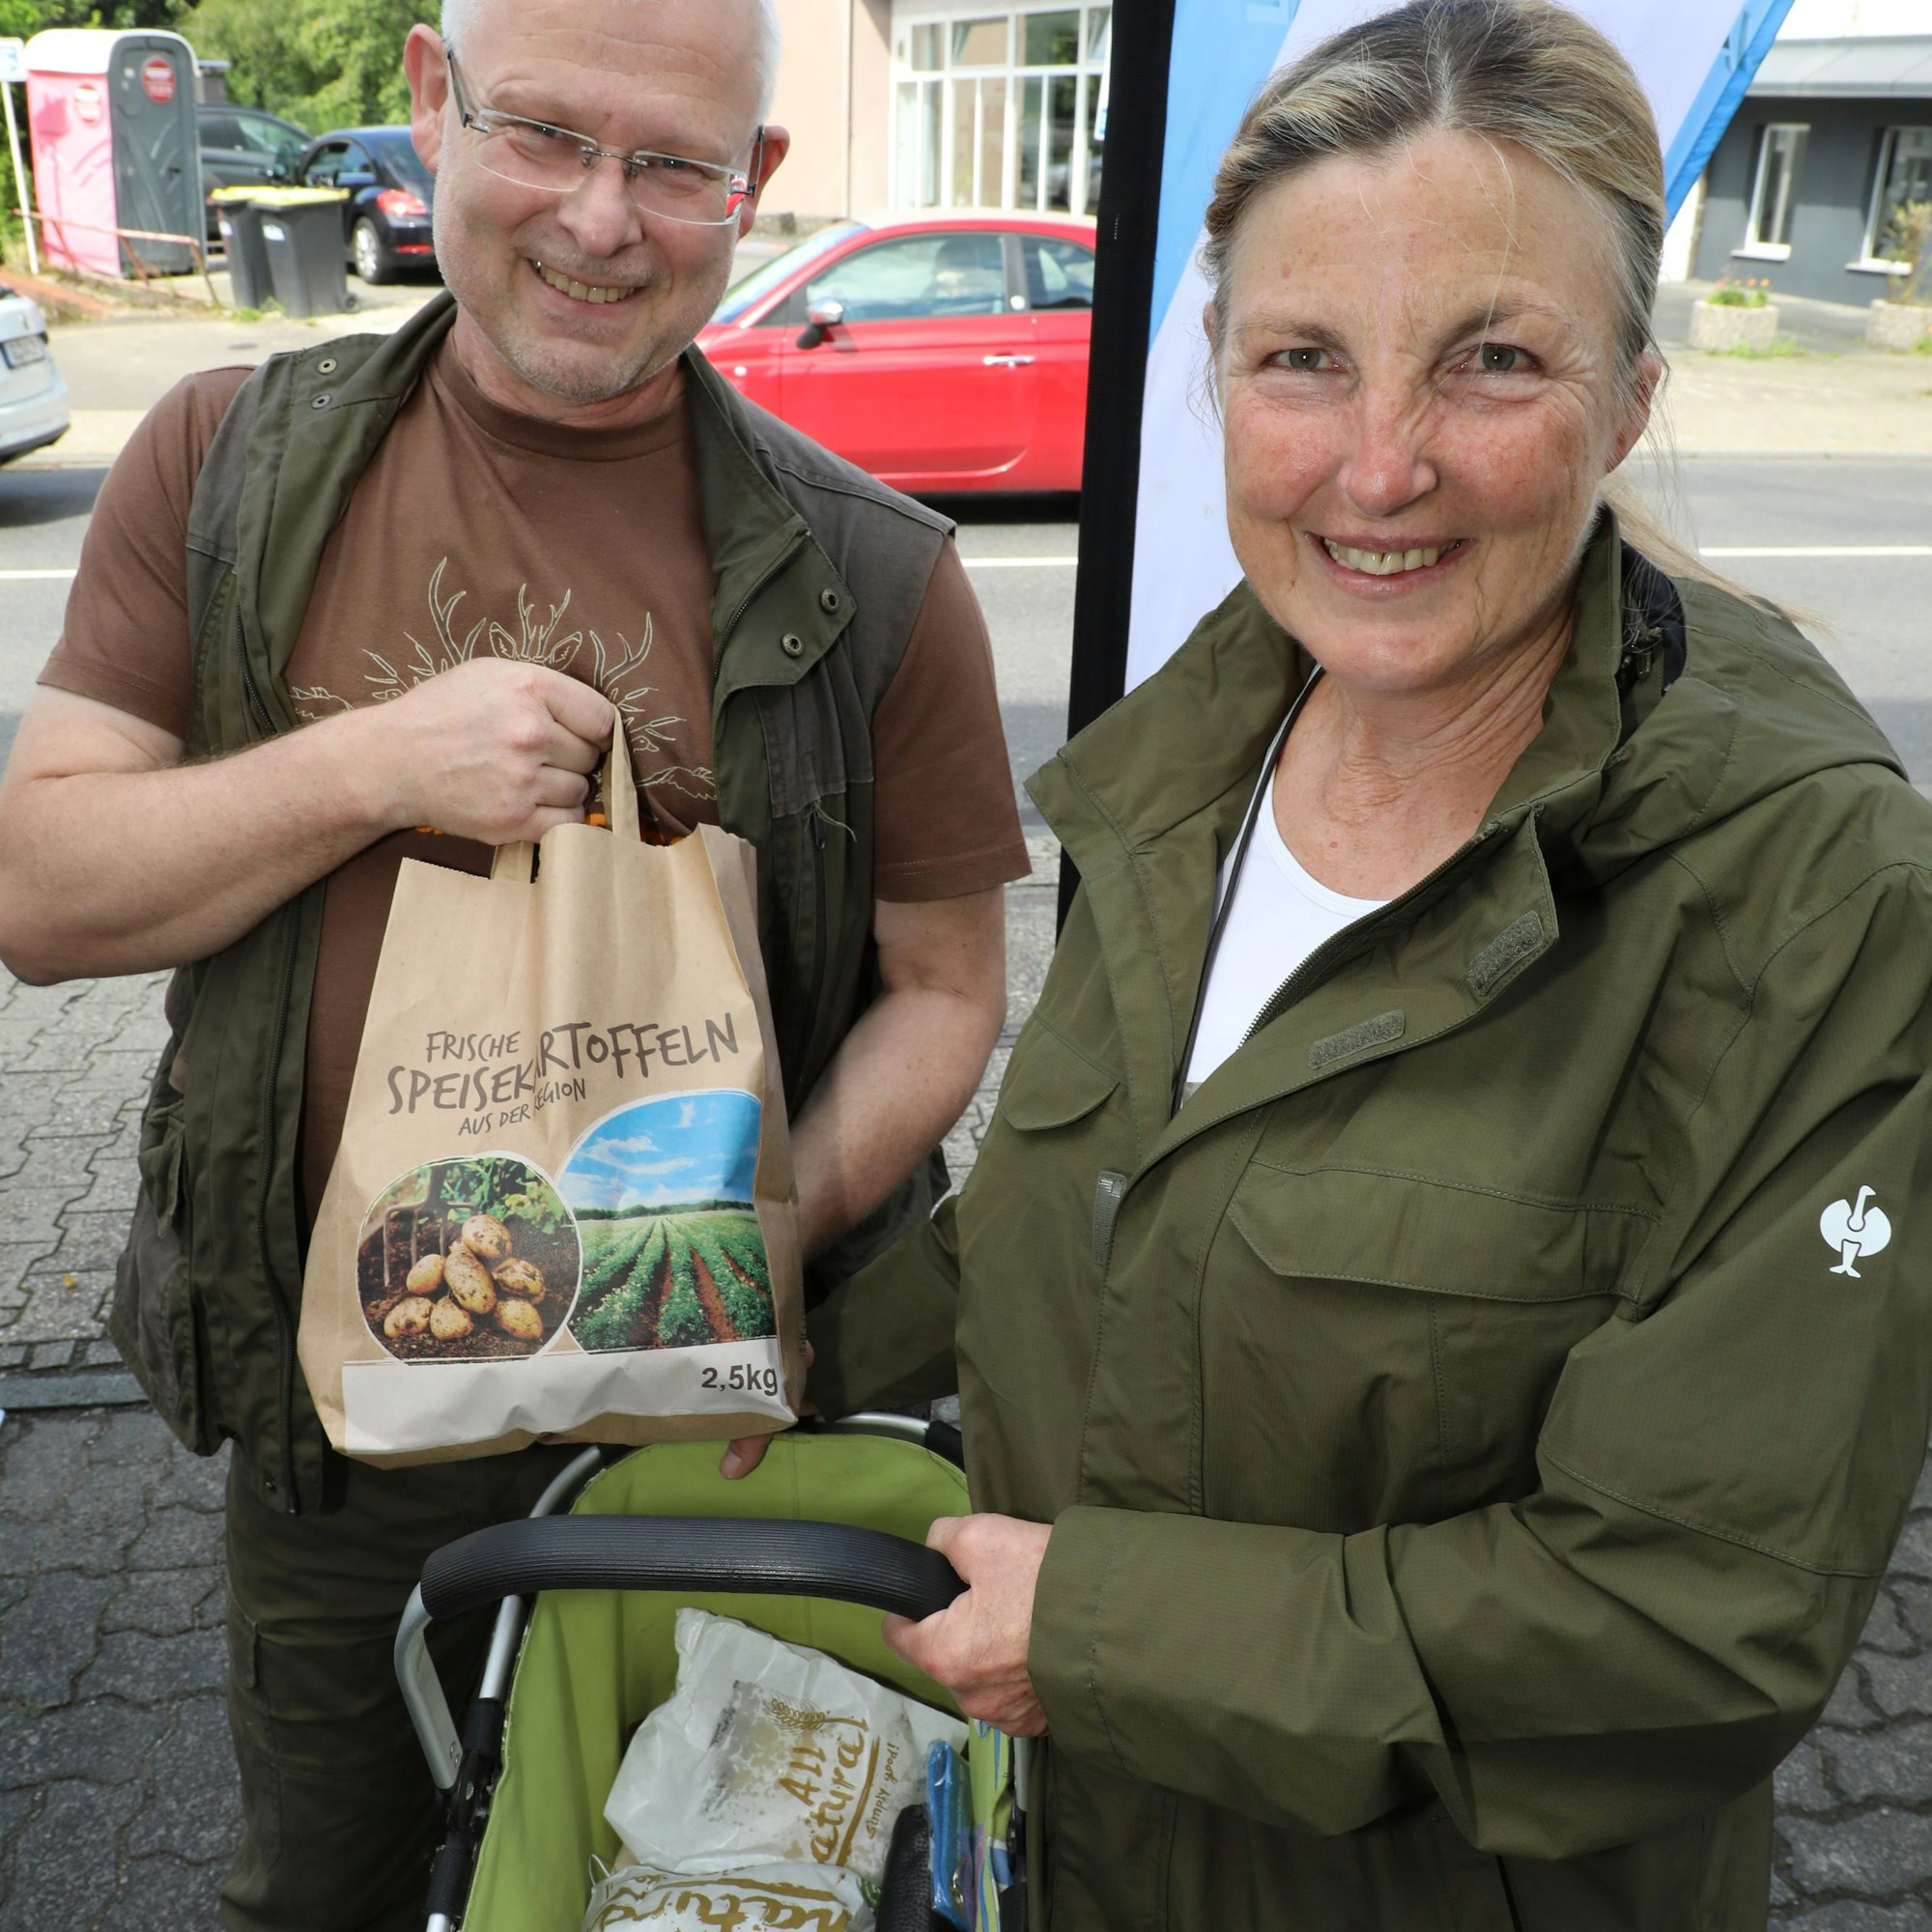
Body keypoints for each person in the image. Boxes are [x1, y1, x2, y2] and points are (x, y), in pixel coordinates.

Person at [791, 2, 1932, 1925]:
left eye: (1490, 360)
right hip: (1094, 1859)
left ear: (1629, 396)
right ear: (1217, 376)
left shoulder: (1803, 891)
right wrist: (784, 1341)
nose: (1379, 467)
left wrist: (1103, 1631)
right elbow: (1088, 1222)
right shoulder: (1199, 747)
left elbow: (1696, 1616)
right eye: (1302, 360)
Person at [0, 0, 1028, 1922]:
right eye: (545, 135)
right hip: (343, 1433)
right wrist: (379, 761)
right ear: (424, 104)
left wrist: (736, 1264)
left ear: (757, 188)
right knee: (331, 1878)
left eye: (673, 165)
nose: (601, 221)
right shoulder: (226, 466)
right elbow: (42, 892)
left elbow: (945, 988)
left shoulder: (874, 570)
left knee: (692, 1869)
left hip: (722, 1427)